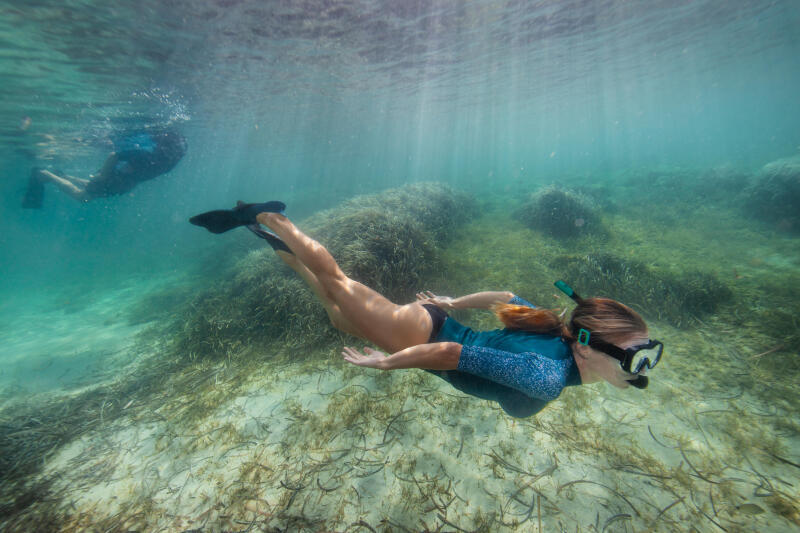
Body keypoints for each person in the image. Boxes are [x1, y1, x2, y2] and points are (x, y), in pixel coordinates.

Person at [189, 201, 664, 418]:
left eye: (647, 355)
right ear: (586, 346)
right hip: (419, 339)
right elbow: (451, 355)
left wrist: (452, 303)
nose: (642, 369)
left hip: (430, 324)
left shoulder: (557, 329)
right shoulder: (545, 378)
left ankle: (262, 235)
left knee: (335, 309)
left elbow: (505, 295)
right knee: (338, 284)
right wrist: (387, 362)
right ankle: (268, 216)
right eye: (635, 356)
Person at [22, 126, 187, 208]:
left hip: (121, 180)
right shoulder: (152, 157)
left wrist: (125, 181)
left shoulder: (164, 161)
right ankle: (45, 173)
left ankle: (62, 176)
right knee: (84, 197)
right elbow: (114, 155)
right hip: (117, 178)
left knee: (89, 187)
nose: (177, 153)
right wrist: (103, 175)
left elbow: (139, 172)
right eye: (176, 150)